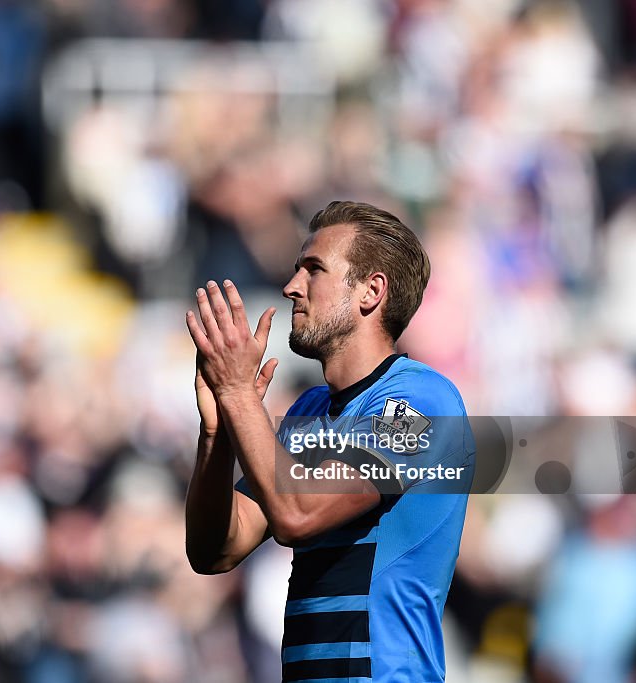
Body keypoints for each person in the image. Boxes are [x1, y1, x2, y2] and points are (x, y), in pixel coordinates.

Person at [185, 200, 475, 683]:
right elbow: (216, 549)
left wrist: (239, 394)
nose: (291, 286)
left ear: (371, 292)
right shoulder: (308, 413)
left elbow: (299, 514)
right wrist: (218, 434)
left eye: (313, 269)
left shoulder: (422, 402)